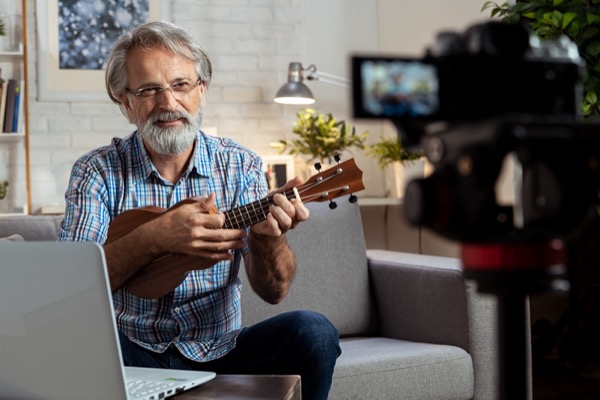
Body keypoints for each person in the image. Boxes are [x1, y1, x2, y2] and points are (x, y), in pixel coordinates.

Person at [58, 20, 341, 399]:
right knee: (75, 342)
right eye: (149, 90)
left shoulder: (241, 165)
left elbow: (274, 291)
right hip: (129, 349)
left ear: (201, 91)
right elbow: (69, 289)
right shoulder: (96, 172)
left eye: (180, 85)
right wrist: (155, 238)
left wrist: (268, 240)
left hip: (221, 350)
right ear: (126, 102)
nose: (168, 103)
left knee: (315, 333)